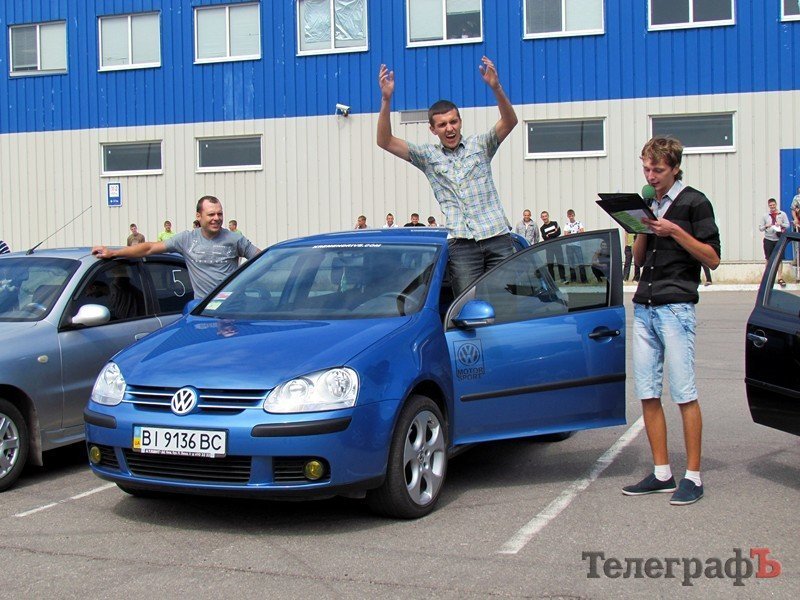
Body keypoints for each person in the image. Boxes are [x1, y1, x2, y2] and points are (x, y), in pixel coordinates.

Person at [623, 136, 720, 506]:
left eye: (658, 170)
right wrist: (639, 228)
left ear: (675, 167)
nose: (652, 175)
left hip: (676, 306)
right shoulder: (650, 201)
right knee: (647, 392)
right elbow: (641, 257)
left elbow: (712, 258)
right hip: (645, 304)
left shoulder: (695, 202)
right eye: (647, 169)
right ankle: (662, 472)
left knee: (683, 393)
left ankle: (692, 477)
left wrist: (675, 230)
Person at [377, 56, 518, 296]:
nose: (449, 128)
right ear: (433, 129)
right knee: (466, 307)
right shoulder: (427, 157)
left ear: (460, 122)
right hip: (462, 244)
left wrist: (496, 87)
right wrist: (386, 99)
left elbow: (510, 121)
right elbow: (385, 141)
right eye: (442, 125)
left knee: (507, 302)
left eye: (453, 122)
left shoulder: (481, 145)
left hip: (497, 236)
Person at [93, 196, 260, 300]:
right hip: (202, 309)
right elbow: (149, 249)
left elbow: (261, 260)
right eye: (211, 214)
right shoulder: (186, 239)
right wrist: (113, 252)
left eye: (219, 214)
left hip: (231, 307)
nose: (216, 218)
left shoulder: (235, 239)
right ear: (198, 216)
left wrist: (244, 281)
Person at [540, 211, 566, 282]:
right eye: (543, 216)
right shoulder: (542, 228)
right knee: (550, 264)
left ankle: (563, 278)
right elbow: (545, 237)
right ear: (541, 218)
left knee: (560, 262)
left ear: (548, 216)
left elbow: (558, 232)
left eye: (545, 216)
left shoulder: (554, 223)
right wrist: (553, 233)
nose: (544, 218)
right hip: (548, 247)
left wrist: (549, 234)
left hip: (557, 245)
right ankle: (552, 280)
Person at [563, 209, 588, 283]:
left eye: (572, 215)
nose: (571, 217)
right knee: (571, 263)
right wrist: (576, 232)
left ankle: (584, 280)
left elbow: (582, 231)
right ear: (567, 216)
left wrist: (571, 233)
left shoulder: (578, 223)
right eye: (569, 215)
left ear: (574, 215)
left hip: (577, 245)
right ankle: (573, 279)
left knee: (581, 262)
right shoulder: (567, 224)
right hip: (569, 246)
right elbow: (565, 234)